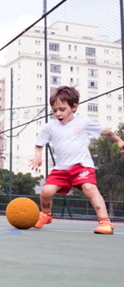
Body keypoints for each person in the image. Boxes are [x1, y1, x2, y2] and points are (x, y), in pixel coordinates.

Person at [30, 86, 124, 235]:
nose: (58, 113)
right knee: (46, 191)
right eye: (54, 111)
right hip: (61, 169)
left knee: (89, 188)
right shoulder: (49, 127)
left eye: (62, 109)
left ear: (74, 107)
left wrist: (119, 141)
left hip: (82, 166)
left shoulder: (83, 123)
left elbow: (106, 132)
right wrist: (38, 156)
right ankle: (46, 215)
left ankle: (105, 222)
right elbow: (39, 143)